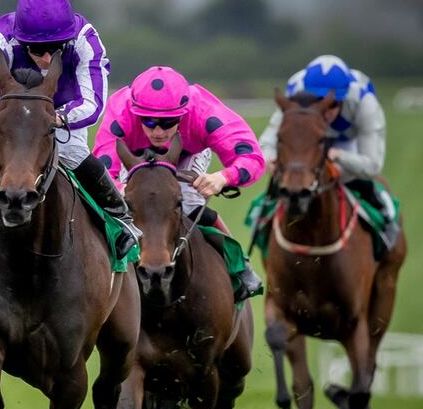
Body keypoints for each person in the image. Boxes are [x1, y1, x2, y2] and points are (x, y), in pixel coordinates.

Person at [0, 0, 141, 260]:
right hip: (14, 114)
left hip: (63, 113)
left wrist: (57, 118)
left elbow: (92, 103)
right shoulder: (0, 40)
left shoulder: (85, 40)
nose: (46, 58)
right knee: (5, 156)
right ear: (21, 40)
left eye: (55, 49)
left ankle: (121, 220)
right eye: (37, 49)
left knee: (72, 152)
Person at [92, 65, 265, 301]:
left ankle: (240, 266)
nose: (158, 131)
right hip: (134, 157)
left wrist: (221, 178)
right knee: (123, 206)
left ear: (183, 114)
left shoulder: (204, 112)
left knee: (189, 203)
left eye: (168, 122)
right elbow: (102, 170)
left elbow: (252, 157)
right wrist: (120, 189)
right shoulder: (121, 111)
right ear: (135, 112)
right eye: (148, 122)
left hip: (186, 154)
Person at [258, 54, 400, 251]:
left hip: (348, 144)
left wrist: (340, 157)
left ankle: (385, 219)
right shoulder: (295, 94)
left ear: (342, 99)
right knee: (277, 189)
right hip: (308, 143)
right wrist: (271, 160)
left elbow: (372, 165)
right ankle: (260, 226)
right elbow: (267, 141)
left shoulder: (365, 103)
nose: (322, 109)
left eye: (331, 103)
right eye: (315, 100)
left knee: (359, 181)